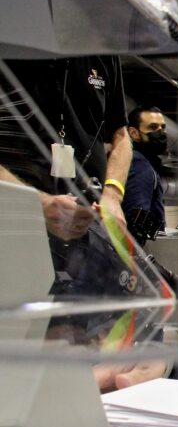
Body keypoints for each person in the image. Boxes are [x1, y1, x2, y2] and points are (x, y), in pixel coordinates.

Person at [0, 56, 132, 296]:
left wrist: (112, 195)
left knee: (73, 329)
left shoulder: (102, 53)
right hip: (13, 228)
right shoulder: (11, 38)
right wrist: (38, 204)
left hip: (81, 234)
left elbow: (121, 136)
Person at [123, 106, 167, 245]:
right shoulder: (138, 163)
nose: (160, 132)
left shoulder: (146, 163)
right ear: (133, 133)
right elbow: (136, 220)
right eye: (153, 127)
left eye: (162, 127)